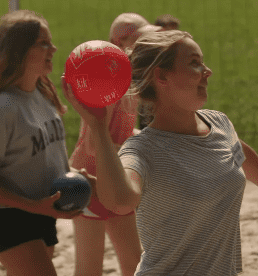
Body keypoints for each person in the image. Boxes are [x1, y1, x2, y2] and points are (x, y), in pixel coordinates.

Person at [65, 30, 258, 275]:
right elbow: (121, 201)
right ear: (161, 76)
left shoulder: (219, 123)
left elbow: (238, 150)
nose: (207, 70)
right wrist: (97, 127)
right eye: (194, 63)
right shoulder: (142, 150)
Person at [0, 10, 83, 276]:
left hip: (43, 215)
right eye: (43, 43)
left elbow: (46, 159)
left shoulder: (42, 94)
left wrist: (78, 179)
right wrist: (34, 206)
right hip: (10, 221)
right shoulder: (2, 109)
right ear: (20, 51)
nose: (53, 48)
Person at [67, 16, 165, 276]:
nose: (148, 43)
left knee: (135, 262)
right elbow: (92, 145)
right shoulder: (107, 81)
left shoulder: (130, 79)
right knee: (90, 268)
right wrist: (138, 148)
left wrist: (147, 140)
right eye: (140, 38)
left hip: (114, 178)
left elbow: (120, 132)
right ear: (117, 43)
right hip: (89, 182)